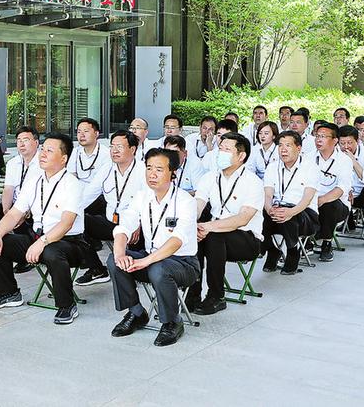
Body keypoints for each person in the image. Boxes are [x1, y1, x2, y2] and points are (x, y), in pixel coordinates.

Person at [0, 133, 89, 325]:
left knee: (52, 251)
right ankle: (9, 294)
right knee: (1, 243)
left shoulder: (72, 184)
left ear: (63, 159)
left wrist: (41, 242)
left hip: (70, 243)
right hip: (38, 239)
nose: (43, 154)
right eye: (43, 149)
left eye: (50, 150)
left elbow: (66, 223)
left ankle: (67, 305)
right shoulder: (34, 180)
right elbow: (14, 214)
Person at [107, 148, 200, 347]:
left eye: (159, 169)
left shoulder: (185, 201)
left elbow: (177, 240)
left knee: (158, 269)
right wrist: (119, 254)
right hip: (150, 258)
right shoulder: (142, 196)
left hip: (183, 263)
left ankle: (172, 322)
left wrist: (145, 261)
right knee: (114, 261)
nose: (152, 174)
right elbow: (124, 226)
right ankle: (136, 313)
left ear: (173, 172)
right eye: (149, 168)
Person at [193, 133, 264, 315]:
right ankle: (193, 294)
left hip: (247, 239)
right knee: (193, 238)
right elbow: (198, 206)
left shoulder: (253, 182)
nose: (220, 153)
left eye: (227, 150)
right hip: (213, 233)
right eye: (220, 149)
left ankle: (216, 296)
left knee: (214, 236)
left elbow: (243, 219)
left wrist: (207, 227)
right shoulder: (210, 177)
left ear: (241, 156)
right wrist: (194, 225)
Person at [76, 130, 146, 286]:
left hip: (135, 227)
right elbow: (88, 195)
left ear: (132, 149)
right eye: (112, 146)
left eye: (119, 147)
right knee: (77, 221)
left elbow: (150, 202)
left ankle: (137, 272)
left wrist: (140, 224)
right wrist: (70, 213)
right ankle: (97, 269)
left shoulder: (143, 170)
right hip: (111, 223)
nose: (114, 151)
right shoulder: (107, 168)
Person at [0, 125, 40, 272]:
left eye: (26, 140)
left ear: (36, 142)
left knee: (21, 218)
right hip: (16, 205)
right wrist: (6, 210)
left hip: (34, 207)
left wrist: (21, 213)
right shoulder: (13, 163)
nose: (21, 144)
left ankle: (26, 257)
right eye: (18, 140)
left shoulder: (42, 162)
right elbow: (8, 189)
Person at [262, 131, 320, 275]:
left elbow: (307, 199)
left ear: (298, 148)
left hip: (305, 214)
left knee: (287, 212)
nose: (283, 149)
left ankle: (293, 251)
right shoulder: (272, 167)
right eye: (280, 145)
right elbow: (267, 195)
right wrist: (269, 209)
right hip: (277, 210)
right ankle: (271, 249)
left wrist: (290, 212)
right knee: (258, 214)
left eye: (288, 145)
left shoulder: (310, 167)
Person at [311, 122, 353, 262]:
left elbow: (342, 188)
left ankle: (327, 243)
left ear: (335, 140)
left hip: (337, 205)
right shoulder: (308, 158)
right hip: (311, 202)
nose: (319, 140)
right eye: (317, 136)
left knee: (330, 205)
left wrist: (321, 200)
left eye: (323, 136)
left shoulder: (344, 161)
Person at [67, 117, 112, 216]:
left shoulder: (106, 155)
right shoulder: (75, 152)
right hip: (77, 194)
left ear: (96, 134)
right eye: (79, 132)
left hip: (97, 197)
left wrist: (75, 206)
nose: (81, 135)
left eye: (86, 131)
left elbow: (97, 186)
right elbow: (71, 176)